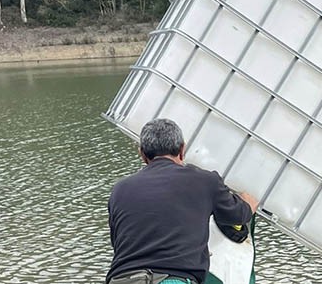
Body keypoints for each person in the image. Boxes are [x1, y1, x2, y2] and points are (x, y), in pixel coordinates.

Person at [106, 118, 258, 284]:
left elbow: (119, 242)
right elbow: (237, 216)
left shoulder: (119, 190)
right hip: (172, 279)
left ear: (142, 153)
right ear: (182, 149)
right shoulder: (205, 181)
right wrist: (248, 204)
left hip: (122, 279)